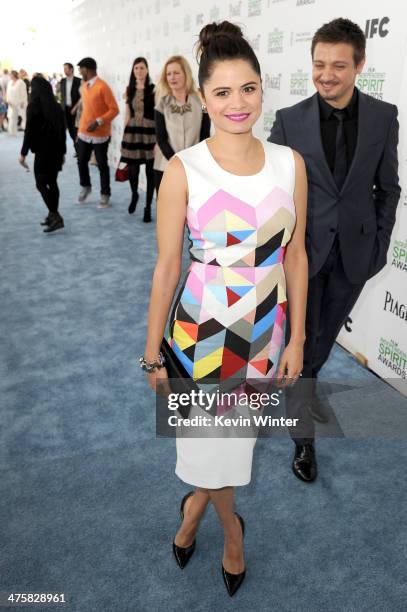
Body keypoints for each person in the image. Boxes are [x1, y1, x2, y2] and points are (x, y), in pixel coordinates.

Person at [142, 21, 308, 596]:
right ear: (203, 96)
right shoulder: (184, 169)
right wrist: (150, 355)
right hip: (197, 334)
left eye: (250, 88)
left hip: (265, 333)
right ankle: (229, 529)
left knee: (233, 447)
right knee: (203, 446)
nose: (238, 103)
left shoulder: (291, 164)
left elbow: (297, 257)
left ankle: (194, 514)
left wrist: (300, 340)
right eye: (223, 92)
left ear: (263, 90)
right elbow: (167, 267)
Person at [268, 17, 401, 482]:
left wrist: (380, 246)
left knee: (319, 343)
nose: (326, 74)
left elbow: (389, 188)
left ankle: (304, 389)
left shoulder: (385, 117)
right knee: (300, 343)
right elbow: (272, 194)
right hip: (302, 255)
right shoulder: (289, 121)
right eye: (319, 64)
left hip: (357, 255)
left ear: (360, 65)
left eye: (338, 66)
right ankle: (303, 441)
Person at [153, 55, 210, 192]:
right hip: (165, 167)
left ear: (186, 74)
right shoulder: (162, 104)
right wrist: (177, 163)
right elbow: (161, 139)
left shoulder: (200, 101)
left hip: (195, 167)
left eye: (176, 72)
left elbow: (205, 133)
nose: (172, 77)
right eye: (169, 74)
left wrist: (193, 161)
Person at [19, 76, 66, 233]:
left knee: (40, 184)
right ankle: (53, 215)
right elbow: (62, 132)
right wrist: (63, 152)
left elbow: (29, 132)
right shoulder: (57, 106)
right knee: (52, 182)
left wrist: (23, 153)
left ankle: (55, 215)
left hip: (42, 152)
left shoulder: (33, 107)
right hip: (56, 151)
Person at [76, 57, 119, 208]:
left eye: (80, 69)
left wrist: (99, 121)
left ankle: (105, 194)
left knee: (102, 165)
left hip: (100, 134)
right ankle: (85, 186)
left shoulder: (103, 87)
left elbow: (114, 110)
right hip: (83, 132)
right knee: (81, 161)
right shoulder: (83, 86)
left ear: (88, 69)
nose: (79, 72)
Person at [120, 57, 156, 221]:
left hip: (150, 133)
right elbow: (127, 113)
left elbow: (158, 114)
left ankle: (148, 207)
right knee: (133, 171)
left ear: (147, 70)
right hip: (133, 132)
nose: (139, 71)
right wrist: (123, 137)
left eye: (142, 68)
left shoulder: (154, 89)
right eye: (136, 68)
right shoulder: (129, 89)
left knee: (150, 173)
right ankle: (135, 194)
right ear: (133, 71)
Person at [59, 62, 81, 146]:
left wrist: (77, 107)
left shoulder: (78, 81)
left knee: (75, 129)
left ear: (71, 69)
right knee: (70, 130)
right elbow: (62, 95)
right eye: (63, 69)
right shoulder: (62, 81)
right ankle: (77, 147)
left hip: (75, 108)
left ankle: (78, 149)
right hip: (65, 109)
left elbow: (81, 96)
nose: (64, 70)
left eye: (66, 68)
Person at [6, 71, 27, 135]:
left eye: (11, 75)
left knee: (24, 117)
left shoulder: (21, 82)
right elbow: (8, 92)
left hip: (20, 102)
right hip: (12, 103)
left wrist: (23, 102)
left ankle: (27, 131)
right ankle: (12, 132)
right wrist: (8, 100)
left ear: (14, 75)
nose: (10, 76)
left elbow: (24, 93)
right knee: (12, 117)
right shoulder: (9, 83)